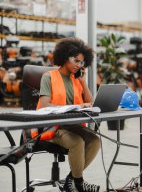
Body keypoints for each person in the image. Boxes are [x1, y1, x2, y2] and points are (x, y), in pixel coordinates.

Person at [38, 37, 100, 192]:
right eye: (76, 61)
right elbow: (45, 105)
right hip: (51, 127)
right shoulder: (49, 77)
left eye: (82, 63)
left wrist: (83, 82)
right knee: (77, 142)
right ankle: (79, 183)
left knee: (95, 140)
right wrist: (78, 106)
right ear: (65, 56)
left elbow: (91, 103)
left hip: (71, 125)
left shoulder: (76, 79)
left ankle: (71, 180)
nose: (79, 65)